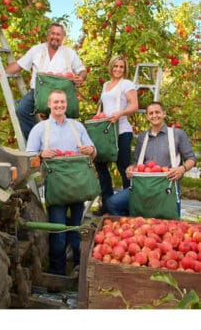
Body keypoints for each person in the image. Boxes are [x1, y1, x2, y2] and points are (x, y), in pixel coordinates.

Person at [26, 89, 96, 276]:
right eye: (55, 102)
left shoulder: (77, 126)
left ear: (67, 104)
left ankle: (78, 271)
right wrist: (41, 154)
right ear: (49, 104)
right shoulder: (40, 129)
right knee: (57, 232)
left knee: (76, 230)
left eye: (62, 102)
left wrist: (90, 149)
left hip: (77, 185)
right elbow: (29, 156)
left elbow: (93, 152)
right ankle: (56, 274)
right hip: (56, 187)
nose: (59, 105)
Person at [0, 22, 87, 141]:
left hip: (60, 94)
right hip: (37, 93)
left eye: (58, 34)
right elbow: (19, 65)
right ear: (48, 35)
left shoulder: (69, 53)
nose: (55, 37)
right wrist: (2, 72)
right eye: (53, 33)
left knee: (61, 122)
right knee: (21, 110)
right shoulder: (36, 50)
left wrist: (81, 77)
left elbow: (82, 70)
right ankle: (35, 141)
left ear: (62, 38)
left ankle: (59, 147)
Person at [106, 101, 197, 216]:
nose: (154, 115)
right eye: (151, 113)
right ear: (147, 117)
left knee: (171, 220)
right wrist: (130, 168)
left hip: (167, 187)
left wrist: (182, 169)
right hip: (144, 186)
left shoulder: (177, 134)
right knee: (112, 203)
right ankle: (132, 224)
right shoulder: (142, 137)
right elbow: (136, 162)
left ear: (164, 114)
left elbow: (191, 159)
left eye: (157, 112)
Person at [94, 55, 138, 215]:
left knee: (124, 168)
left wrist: (120, 113)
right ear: (111, 67)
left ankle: (128, 206)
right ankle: (107, 203)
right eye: (116, 66)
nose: (118, 69)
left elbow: (134, 105)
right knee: (101, 166)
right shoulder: (106, 85)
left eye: (121, 67)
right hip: (106, 133)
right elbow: (104, 107)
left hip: (121, 132)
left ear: (125, 69)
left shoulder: (127, 84)